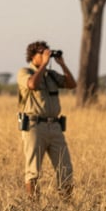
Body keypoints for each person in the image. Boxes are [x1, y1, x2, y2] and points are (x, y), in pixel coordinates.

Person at [17, 41, 77, 198]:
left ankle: (67, 207)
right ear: (32, 56)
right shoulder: (25, 72)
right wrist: (44, 64)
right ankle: (33, 209)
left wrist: (62, 64)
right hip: (34, 126)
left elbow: (72, 84)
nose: (46, 56)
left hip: (55, 126)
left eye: (47, 53)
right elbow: (32, 84)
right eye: (42, 53)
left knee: (66, 169)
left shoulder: (51, 75)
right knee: (33, 171)